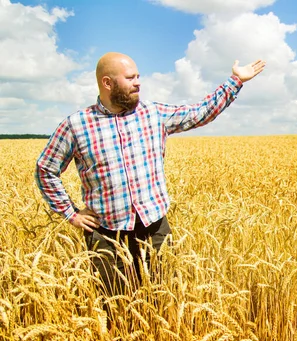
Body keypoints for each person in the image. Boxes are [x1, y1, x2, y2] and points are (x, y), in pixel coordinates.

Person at [35, 52, 266, 295]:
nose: (138, 82)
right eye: (130, 78)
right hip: (106, 236)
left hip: (154, 229)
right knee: (114, 306)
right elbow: (45, 169)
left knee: (163, 298)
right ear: (107, 82)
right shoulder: (76, 125)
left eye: (138, 76)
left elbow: (200, 112)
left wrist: (235, 81)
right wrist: (71, 213)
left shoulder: (153, 114)